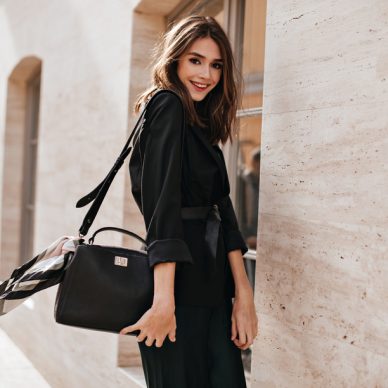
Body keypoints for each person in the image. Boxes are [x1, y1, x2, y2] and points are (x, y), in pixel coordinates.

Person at [120, 15, 259, 388]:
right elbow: (163, 210)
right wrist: (164, 302)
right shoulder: (167, 106)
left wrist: (243, 295)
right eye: (195, 60)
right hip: (176, 295)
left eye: (216, 65)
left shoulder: (200, 124)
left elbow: (224, 212)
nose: (206, 74)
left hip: (213, 291)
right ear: (175, 60)